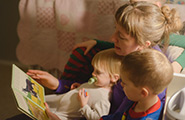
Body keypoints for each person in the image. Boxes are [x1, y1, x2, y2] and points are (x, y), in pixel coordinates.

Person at [26, 0, 184, 117]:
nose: (112, 38)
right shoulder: (119, 55)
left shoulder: (143, 78)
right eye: (115, 31)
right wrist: (58, 85)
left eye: (121, 37)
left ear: (143, 44)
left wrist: (177, 65)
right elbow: (86, 86)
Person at [32, 48, 122, 120]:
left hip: (62, 115)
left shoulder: (103, 98)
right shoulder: (98, 83)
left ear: (114, 78)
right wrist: (81, 87)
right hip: (58, 102)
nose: (93, 74)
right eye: (93, 69)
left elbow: (98, 118)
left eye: (98, 72)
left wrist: (84, 105)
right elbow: (90, 90)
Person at [100, 49, 173, 120]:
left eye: (125, 83)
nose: (121, 84)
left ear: (143, 92)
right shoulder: (136, 99)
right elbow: (119, 116)